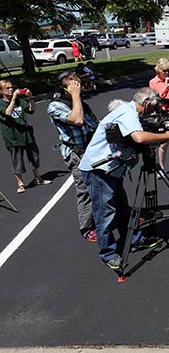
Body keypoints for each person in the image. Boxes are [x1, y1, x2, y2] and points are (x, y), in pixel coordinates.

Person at [78, 87, 169, 270]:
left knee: (122, 208)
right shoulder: (128, 114)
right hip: (99, 170)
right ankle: (108, 254)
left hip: (111, 169)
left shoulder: (129, 110)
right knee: (105, 214)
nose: (153, 113)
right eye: (153, 109)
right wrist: (166, 135)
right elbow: (139, 137)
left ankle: (134, 239)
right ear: (147, 103)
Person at [48, 71, 99, 242]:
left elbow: (93, 124)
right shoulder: (55, 105)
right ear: (63, 89)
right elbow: (77, 120)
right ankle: (87, 227)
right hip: (76, 153)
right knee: (84, 191)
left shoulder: (80, 102)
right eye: (73, 85)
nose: (77, 87)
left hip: (92, 150)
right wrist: (75, 97)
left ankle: (121, 213)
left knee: (107, 183)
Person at [0, 80, 52, 193]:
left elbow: (31, 110)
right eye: (7, 88)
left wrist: (31, 98)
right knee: (17, 160)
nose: (11, 90)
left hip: (26, 133)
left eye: (12, 87)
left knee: (33, 156)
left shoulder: (19, 100)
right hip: (13, 136)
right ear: (1, 91)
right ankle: (20, 183)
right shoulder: (1, 103)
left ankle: (38, 178)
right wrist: (13, 99)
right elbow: (7, 113)